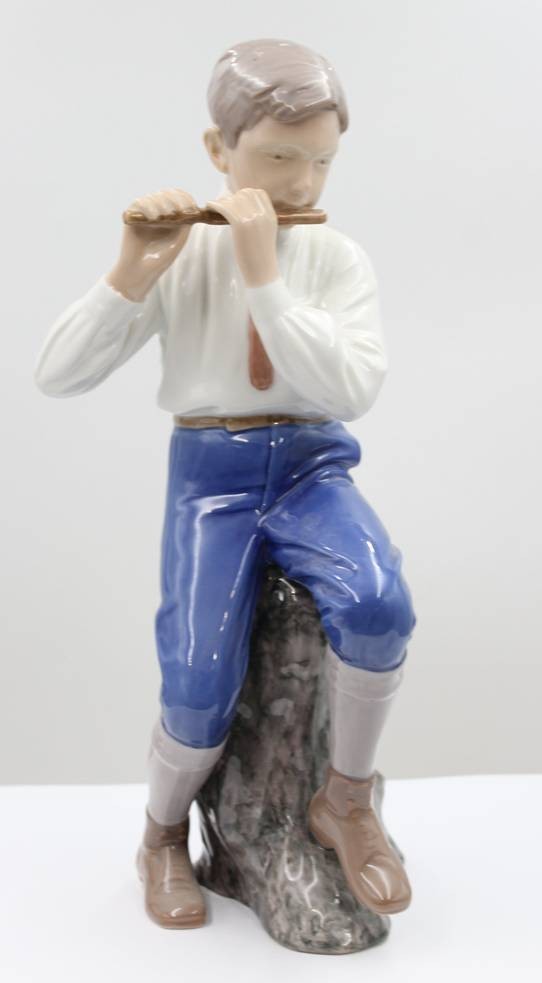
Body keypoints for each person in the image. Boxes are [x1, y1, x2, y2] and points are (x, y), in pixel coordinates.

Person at [34, 38, 417, 929]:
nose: (302, 182)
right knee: (200, 678)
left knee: (378, 603)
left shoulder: (336, 258)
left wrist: (265, 278)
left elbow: (349, 389)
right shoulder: (182, 255)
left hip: (312, 465)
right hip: (213, 480)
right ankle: (163, 832)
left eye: (321, 161)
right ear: (219, 150)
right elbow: (58, 375)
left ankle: (346, 798)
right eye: (280, 157)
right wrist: (132, 270)